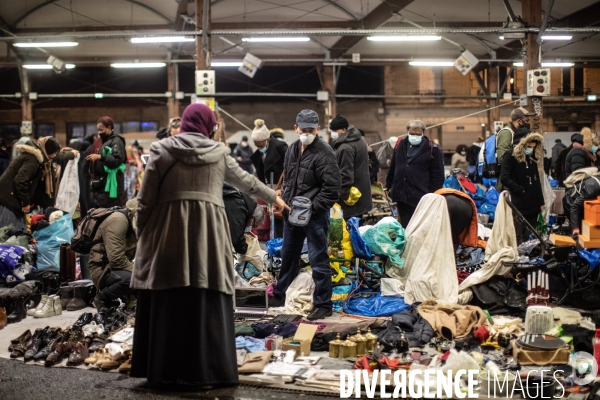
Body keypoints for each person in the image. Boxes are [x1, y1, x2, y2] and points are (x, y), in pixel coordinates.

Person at [130, 103, 289, 387]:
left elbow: (145, 201)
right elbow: (248, 183)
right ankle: (204, 372)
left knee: (169, 296)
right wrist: (274, 197)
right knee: (205, 296)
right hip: (207, 235)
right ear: (209, 126)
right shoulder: (217, 154)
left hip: (167, 232)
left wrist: (144, 235)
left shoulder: (161, 151)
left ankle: (165, 372)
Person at [270, 109, 341, 321]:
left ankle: (323, 304)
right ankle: (281, 294)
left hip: (315, 216)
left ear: (318, 129)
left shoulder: (325, 153)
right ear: (296, 128)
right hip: (292, 213)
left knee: (318, 258)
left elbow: (333, 189)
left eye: (311, 130)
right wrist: (286, 205)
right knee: (288, 256)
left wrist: (314, 208)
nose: (307, 133)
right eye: (303, 130)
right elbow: (290, 181)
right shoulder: (292, 149)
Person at [0, 137, 73, 230]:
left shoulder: (40, 154)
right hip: (9, 199)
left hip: (11, 197)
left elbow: (57, 156)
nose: (55, 156)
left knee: (18, 230)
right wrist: (25, 203)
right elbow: (20, 181)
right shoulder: (33, 160)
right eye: (54, 153)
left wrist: (72, 154)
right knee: (10, 231)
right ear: (49, 151)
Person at [386, 120, 444, 228]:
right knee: (404, 223)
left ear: (423, 133)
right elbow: (393, 166)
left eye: (418, 134)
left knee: (419, 225)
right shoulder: (400, 145)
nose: (415, 136)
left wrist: (432, 192)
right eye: (412, 134)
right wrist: (388, 185)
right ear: (407, 132)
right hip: (401, 192)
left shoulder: (432, 148)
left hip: (420, 194)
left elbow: (438, 173)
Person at [90, 199, 138, 312]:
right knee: (136, 277)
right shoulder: (118, 220)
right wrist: (141, 272)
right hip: (102, 270)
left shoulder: (132, 220)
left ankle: (131, 299)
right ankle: (101, 298)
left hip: (118, 268)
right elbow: (116, 259)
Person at [500, 133, 545, 243]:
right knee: (518, 234)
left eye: (533, 147)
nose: (531, 149)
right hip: (519, 203)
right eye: (529, 147)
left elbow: (536, 181)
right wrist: (519, 189)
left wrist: (541, 202)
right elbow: (504, 177)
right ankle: (520, 254)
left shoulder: (531, 158)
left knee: (530, 235)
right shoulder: (510, 155)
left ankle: (527, 254)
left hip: (533, 204)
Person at [329, 115, 372, 219]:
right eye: (332, 130)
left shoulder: (345, 148)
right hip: (361, 193)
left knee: (346, 231)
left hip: (351, 199)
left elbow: (345, 175)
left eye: (335, 130)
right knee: (357, 227)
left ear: (344, 129)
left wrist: (343, 196)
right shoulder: (358, 139)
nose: (333, 133)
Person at [84, 116, 127, 209]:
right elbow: (86, 153)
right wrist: (74, 152)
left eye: (101, 130)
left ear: (109, 128)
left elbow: (117, 160)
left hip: (111, 185)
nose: (99, 132)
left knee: (111, 212)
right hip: (99, 185)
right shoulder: (98, 142)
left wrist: (100, 157)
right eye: (98, 130)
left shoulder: (117, 141)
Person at [496, 107, 536, 190]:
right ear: (519, 121)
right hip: (508, 185)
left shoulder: (518, 133)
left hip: (517, 180)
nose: (528, 123)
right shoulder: (507, 133)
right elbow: (502, 158)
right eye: (527, 121)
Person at [223, 183, 262, 255]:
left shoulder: (244, 200)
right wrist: (245, 249)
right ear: (252, 218)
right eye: (254, 225)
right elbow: (237, 240)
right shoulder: (240, 205)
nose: (251, 228)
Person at [251, 119, 288, 186]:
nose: (259, 148)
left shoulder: (280, 146)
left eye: (261, 145)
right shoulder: (260, 153)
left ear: (267, 140)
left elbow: (291, 165)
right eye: (256, 146)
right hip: (267, 186)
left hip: (281, 186)